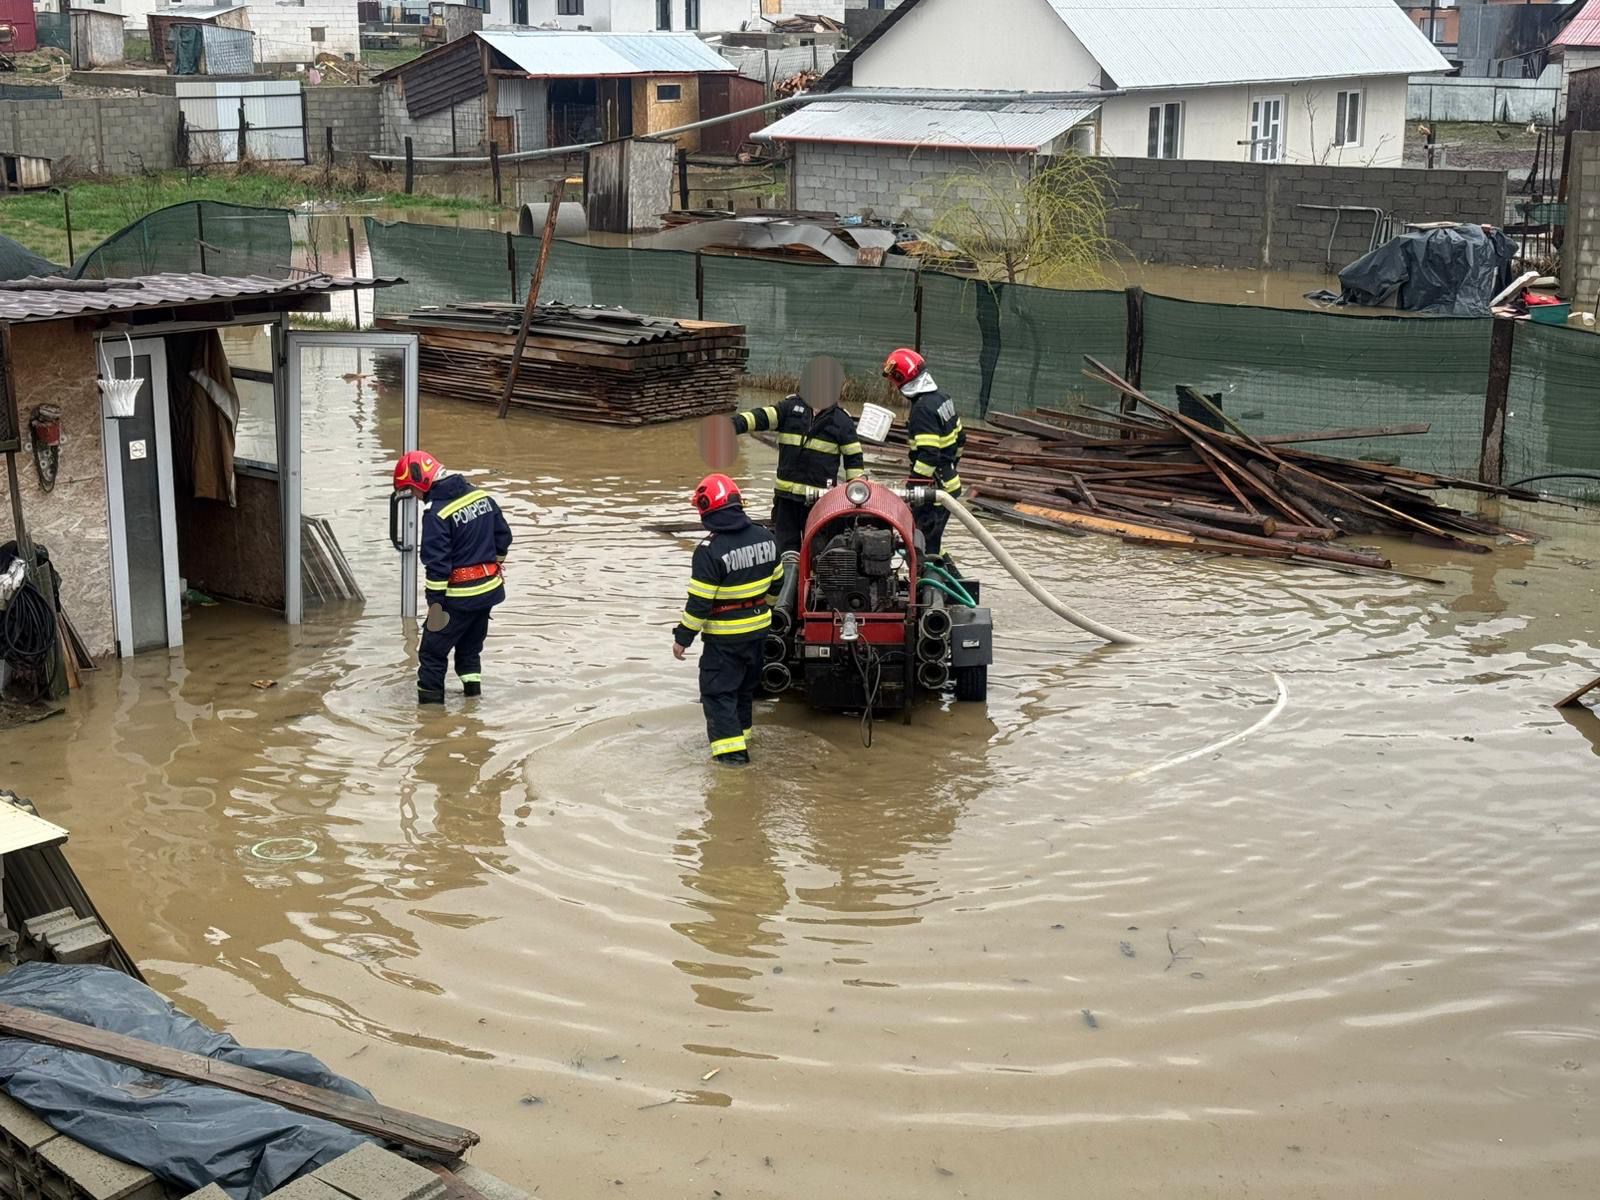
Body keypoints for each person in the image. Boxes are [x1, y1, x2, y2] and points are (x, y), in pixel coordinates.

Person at [672, 474, 784, 766]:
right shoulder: (767, 537)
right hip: (759, 633)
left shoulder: (709, 551)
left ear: (707, 509)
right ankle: (744, 739)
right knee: (744, 691)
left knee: (719, 693)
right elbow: (777, 583)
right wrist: (763, 611)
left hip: (725, 639)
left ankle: (732, 764)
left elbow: (699, 604)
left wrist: (682, 638)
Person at [393, 450, 513, 705]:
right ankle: (473, 702)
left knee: (432, 653)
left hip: (458, 598)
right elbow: (503, 538)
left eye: (412, 491)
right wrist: (493, 567)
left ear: (421, 483)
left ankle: (430, 718)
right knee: (470, 649)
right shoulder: (482, 497)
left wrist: (435, 605)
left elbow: (437, 566)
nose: (414, 497)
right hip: (488, 593)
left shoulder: (437, 513)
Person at [730, 357, 865, 554]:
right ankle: (788, 583)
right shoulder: (789, 409)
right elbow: (759, 417)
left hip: (820, 502)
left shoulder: (842, 421)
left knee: (819, 553)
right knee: (785, 550)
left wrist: (856, 498)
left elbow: (854, 460)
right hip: (786, 500)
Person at [882, 348, 966, 559]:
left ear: (902, 379)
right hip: (949, 485)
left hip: (933, 492)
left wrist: (913, 489)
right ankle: (947, 583)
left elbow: (929, 455)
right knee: (932, 544)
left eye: (895, 381)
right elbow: (961, 438)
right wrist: (950, 466)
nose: (895, 387)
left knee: (919, 549)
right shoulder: (942, 398)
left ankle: (938, 586)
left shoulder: (922, 410)